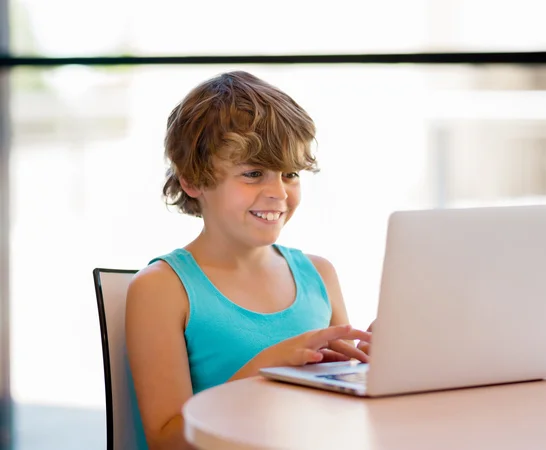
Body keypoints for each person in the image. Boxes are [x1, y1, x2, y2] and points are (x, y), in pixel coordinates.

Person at [125, 71, 372, 450]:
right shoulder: (161, 288)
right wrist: (268, 368)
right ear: (192, 180)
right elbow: (166, 440)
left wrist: (373, 367)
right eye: (253, 174)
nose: (278, 193)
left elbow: (341, 408)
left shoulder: (319, 274)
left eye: (290, 174)